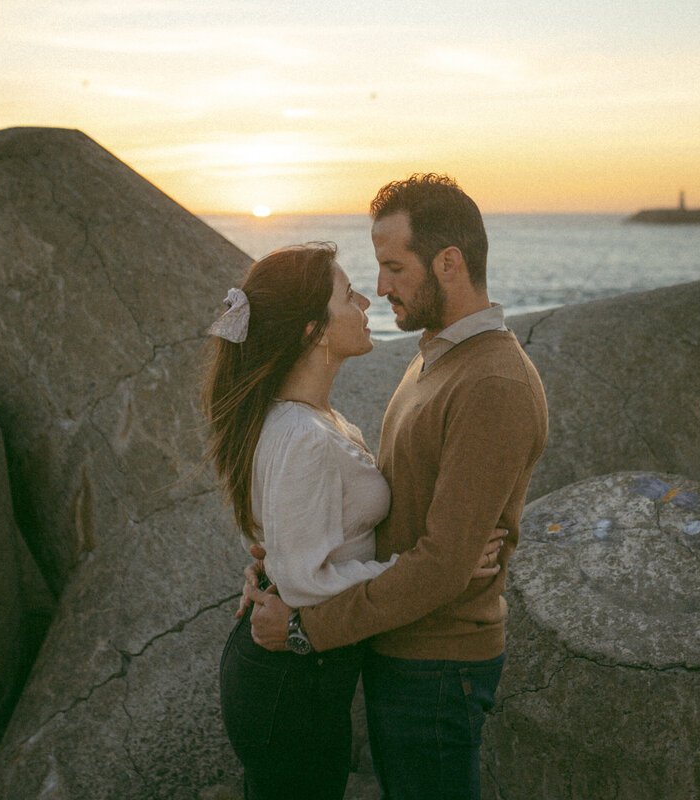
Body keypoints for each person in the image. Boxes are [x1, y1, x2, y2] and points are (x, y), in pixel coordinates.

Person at [243, 174, 550, 800]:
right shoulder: (435, 356)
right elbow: (392, 506)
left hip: (439, 663)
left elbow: (442, 567)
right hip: (403, 648)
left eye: (392, 266)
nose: (379, 288)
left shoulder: (493, 383)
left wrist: (306, 627)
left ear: (449, 263)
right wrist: (277, 559)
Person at [202, 243, 504, 800]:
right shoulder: (303, 437)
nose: (367, 299)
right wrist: (445, 570)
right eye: (348, 295)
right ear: (315, 330)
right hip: (290, 683)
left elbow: (294, 546)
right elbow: (301, 583)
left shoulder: (313, 420)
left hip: (300, 675)